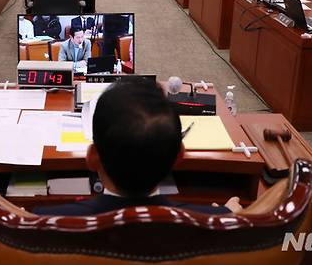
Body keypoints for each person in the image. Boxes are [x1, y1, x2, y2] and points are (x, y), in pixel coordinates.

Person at [33, 78, 241, 216]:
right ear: (179, 156)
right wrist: (228, 213)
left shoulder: (42, 223)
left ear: (92, 158)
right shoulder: (216, 221)